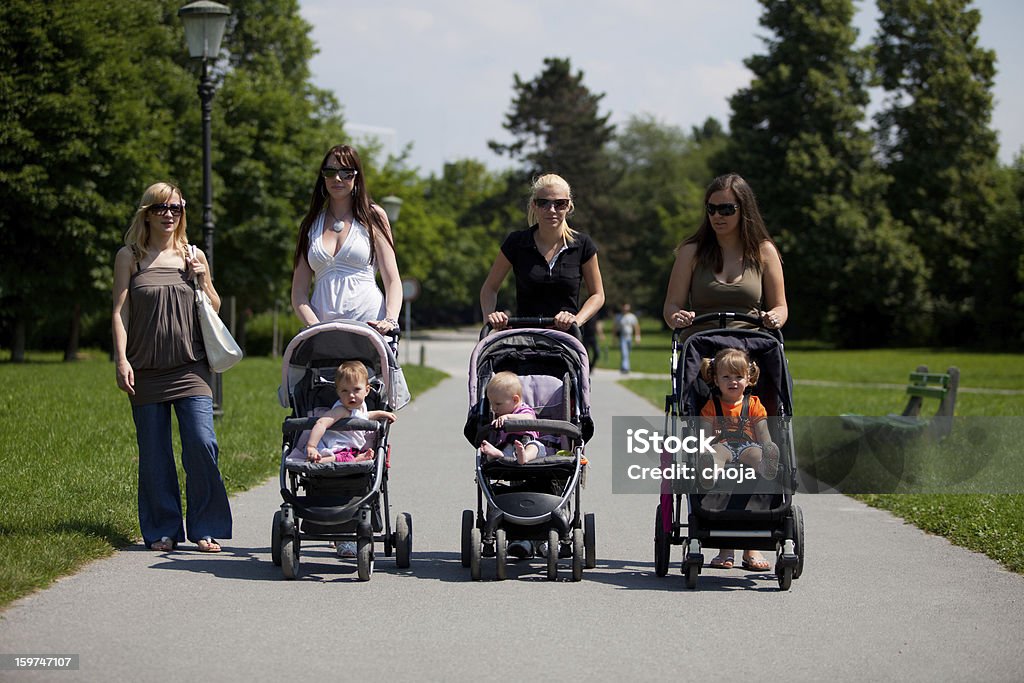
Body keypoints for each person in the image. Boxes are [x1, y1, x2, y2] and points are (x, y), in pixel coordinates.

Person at [663, 172, 788, 573]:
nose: (718, 215)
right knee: (709, 445)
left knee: (758, 445)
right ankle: (717, 532)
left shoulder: (764, 252)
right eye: (712, 208)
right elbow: (669, 309)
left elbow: (782, 307)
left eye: (727, 209)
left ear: (743, 209)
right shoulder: (692, 252)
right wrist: (678, 317)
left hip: (751, 359)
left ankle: (752, 541)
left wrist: (773, 317)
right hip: (706, 361)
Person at [112, 182, 232, 553]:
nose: (169, 214)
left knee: (202, 442)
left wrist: (204, 277)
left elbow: (213, 308)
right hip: (146, 368)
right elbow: (120, 311)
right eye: (162, 208)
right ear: (146, 213)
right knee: (154, 451)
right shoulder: (129, 256)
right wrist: (121, 359)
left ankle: (205, 526)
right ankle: (162, 528)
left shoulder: (192, 254)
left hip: (191, 367)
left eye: (176, 209)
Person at [291, 144, 402, 334]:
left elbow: (392, 279)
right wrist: (315, 327)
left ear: (357, 176)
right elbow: (298, 292)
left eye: (346, 172)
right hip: (323, 332)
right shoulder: (310, 224)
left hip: (370, 328)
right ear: (322, 177)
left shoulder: (374, 216)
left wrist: (390, 319)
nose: (337, 178)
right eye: (330, 172)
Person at [480, 173, 605, 333]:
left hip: (565, 342)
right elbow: (489, 288)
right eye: (543, 203)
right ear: (534, 205)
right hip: (525, 340)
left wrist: (576, 320)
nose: (551, 210)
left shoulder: (583, 245)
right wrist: (490, 318)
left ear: (569, 206)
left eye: (560, 203)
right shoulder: (517, 242)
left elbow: (598, 294)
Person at [698, 348, 779, 484]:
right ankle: (710, 473)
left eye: (739, 377)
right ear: (716, 380)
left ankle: (766, 467)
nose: (733, 381)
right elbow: (705, 435)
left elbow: (762, 432)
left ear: (748, 379)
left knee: (757, 454)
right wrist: (702, 451)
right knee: (716, 454)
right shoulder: (711, 406)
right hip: (722, 445)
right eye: (726, 377)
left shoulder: (754, 404)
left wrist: (767, 445)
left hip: (748, 446)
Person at [305, 361, 397, 463]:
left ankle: (355, 458)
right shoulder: (341, 410)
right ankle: (322, 461)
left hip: (350, 447)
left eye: (356, 389)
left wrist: (382, 413)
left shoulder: (360, 407)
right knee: (345, 457)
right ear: (338, 392)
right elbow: (321, 423)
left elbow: (364, 416)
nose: (351, 395)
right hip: (336, 446)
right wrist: (311, 446)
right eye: (345, 391)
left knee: (356, 453)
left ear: (367, 390)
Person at [478, 371, 542, 465]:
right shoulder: (498, 416)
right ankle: (498, 454)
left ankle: (524, 457)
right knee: (497, 451)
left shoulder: (524, 410)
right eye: (491, 404)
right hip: (508, 446)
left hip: (527, 443)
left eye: (498, 404)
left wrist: (508, 417)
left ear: (515, 400)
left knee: (536, 447)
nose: (493, 408)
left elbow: (530, 418)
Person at [615, 303, 641, 374]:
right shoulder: (619, 317)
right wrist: (614, 338)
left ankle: (623, 366)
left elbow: (636, 327)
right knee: (624, 352)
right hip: (622, 336)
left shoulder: (632, 317)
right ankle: (625, 368)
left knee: (627, 352)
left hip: (629, 336)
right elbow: (615, 328)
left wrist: (637, 337)